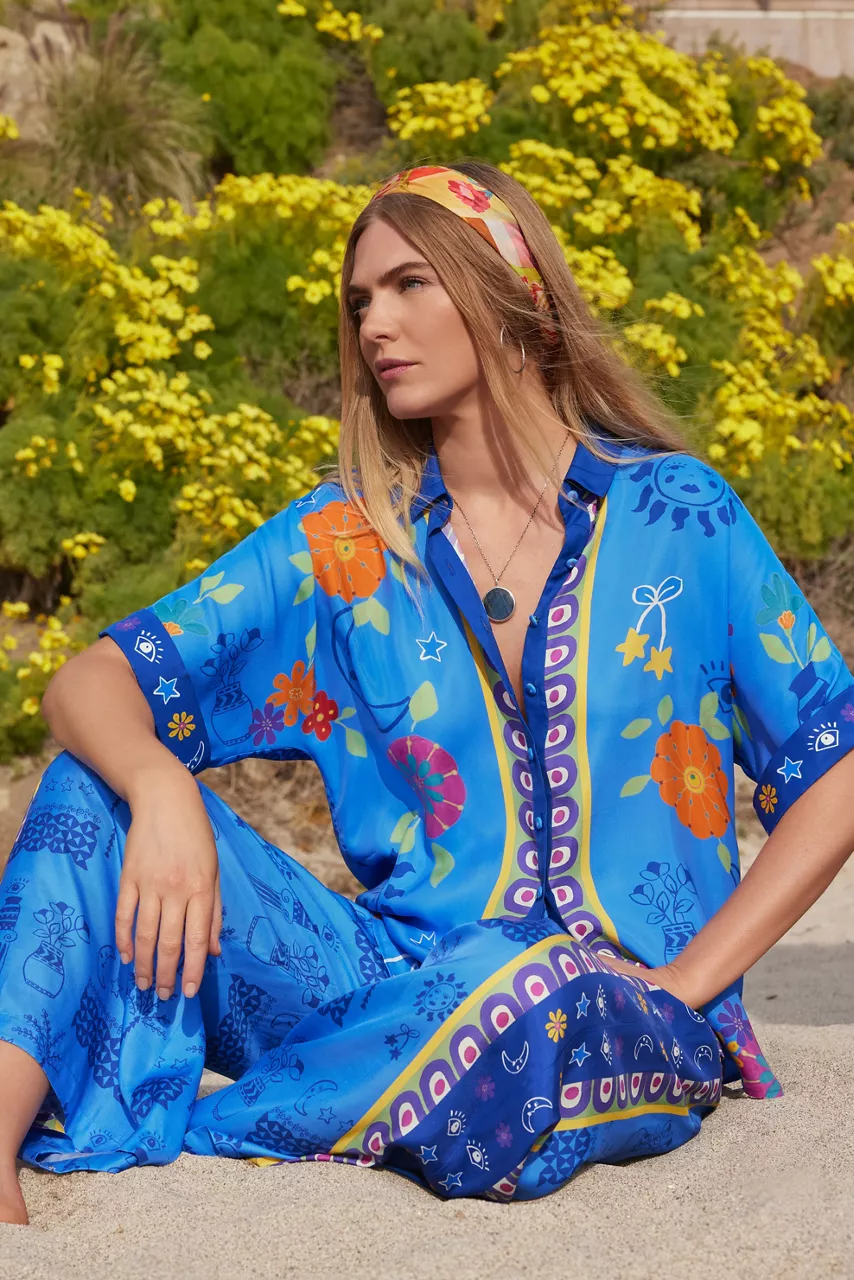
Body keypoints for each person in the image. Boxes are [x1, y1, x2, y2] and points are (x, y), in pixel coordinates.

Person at [2, 160, 854, 1226]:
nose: (374, 323)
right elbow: (92, 679)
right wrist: (160, 785)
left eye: (410, 284)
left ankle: (262, 1109)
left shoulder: (680, 514)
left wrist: (689, 982)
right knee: (93, 798)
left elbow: (835, 767)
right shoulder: (346, 540)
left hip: (609, 1008)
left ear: (512, 294)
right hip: (380, 980)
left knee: (535, 989)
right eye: (360, 299)